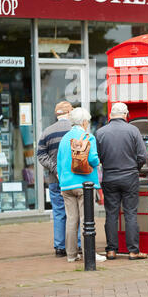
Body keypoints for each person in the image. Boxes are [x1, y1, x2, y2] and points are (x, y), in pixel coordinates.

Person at [96, 102, 148, 261]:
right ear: (126, 115)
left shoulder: (100, 132)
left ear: (111, 115)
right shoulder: (133, 130)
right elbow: (142, 156)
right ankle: (133, 251)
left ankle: (111, 251)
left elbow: (96, 157)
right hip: (129, 176)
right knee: (130, 214)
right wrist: (135, 169)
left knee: (111, 214)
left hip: (109, 176)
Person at [57, 107, 106, 263]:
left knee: (71, 220)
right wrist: (99, 162)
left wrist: (62, 182)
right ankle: (88, 255)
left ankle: (71, 255)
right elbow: (92, 160)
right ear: (85, 122)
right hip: (84, 184)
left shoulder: (64, 139)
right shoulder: (87, 136)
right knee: (87, 220)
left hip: (66, 185)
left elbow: (58, 163)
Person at [37, 100, 81, 257]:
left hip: (55, 180)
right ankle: (75, 245)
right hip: (75, 178)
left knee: (59, 212)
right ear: (69, 113)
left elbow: (40, 155)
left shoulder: (47, 132)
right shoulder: (76, 130)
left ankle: (60, 246)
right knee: (75, 212)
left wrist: (54, 168)